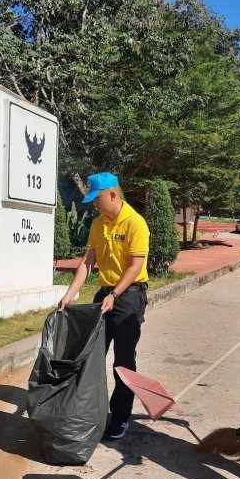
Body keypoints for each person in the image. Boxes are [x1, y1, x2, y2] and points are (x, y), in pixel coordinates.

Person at [58, 172, 150, 440]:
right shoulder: (98, 224)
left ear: (113, 194)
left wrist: (116, 295)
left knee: (123, 360)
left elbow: (136, 266)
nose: (94, 205)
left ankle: (120, 417)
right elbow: (87, 262)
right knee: (92, 354)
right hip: (105, 294)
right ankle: (91, 410)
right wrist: (70, 294)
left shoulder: (135, 223)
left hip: (129, 297)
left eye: (97, 199)